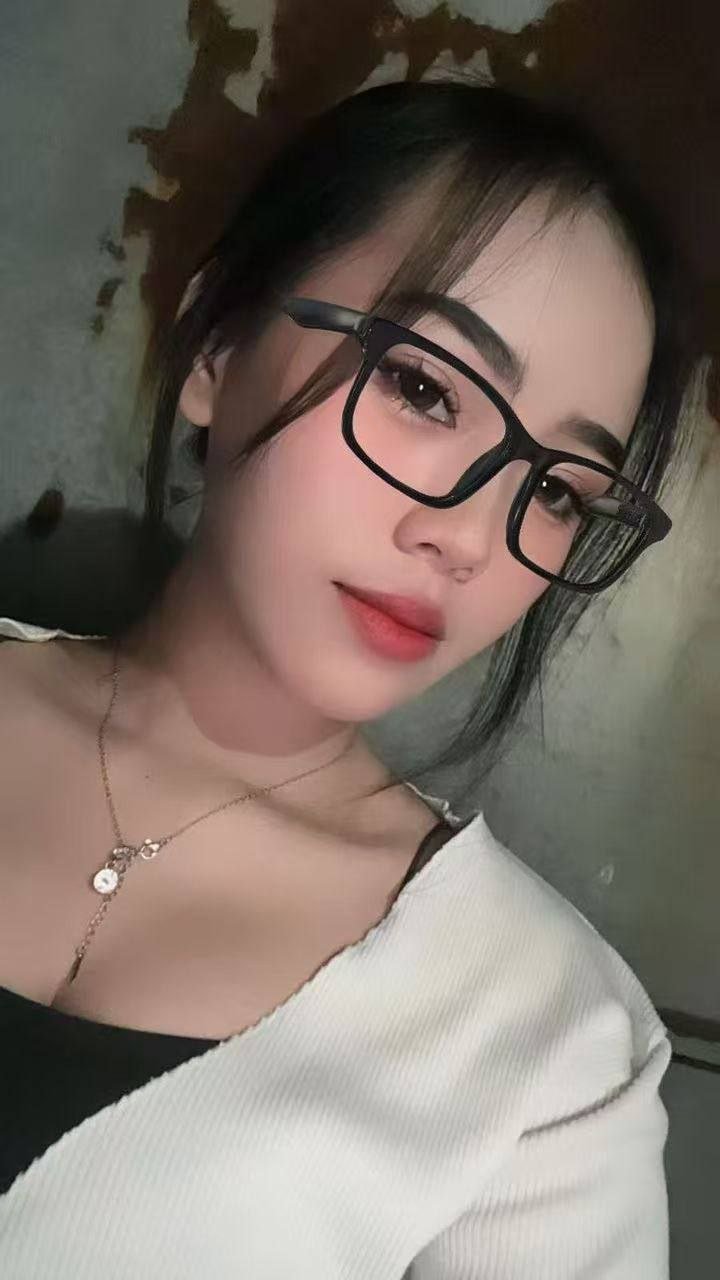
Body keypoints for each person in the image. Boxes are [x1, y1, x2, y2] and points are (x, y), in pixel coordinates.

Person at [0, 79, 696, 1276]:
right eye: (425, 387)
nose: (467, 535)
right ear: (218, 341)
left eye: (555, 491)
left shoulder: (551, 1050)